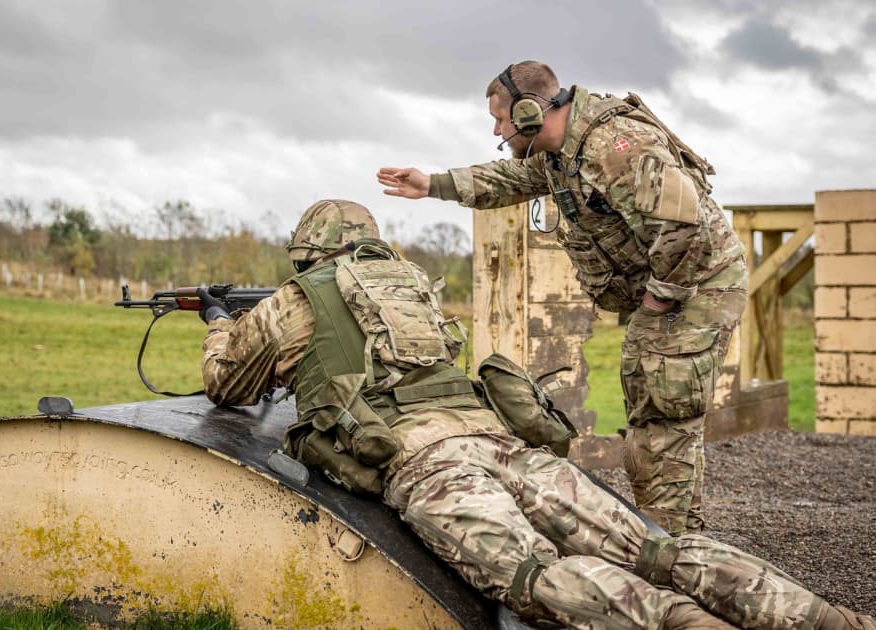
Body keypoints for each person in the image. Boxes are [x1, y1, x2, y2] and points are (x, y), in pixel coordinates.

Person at [197, 198, 872, 629]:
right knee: (655, 550)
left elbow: (226, 386)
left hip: (427, 464)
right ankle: (829, 620)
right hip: (503, 444)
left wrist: (221, 323)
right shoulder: (417, 289)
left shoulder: (295, 300)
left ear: (309, 253)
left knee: (534, 577)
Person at [376, 60, 746, 537]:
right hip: (673, 287)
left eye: (500, 119)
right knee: (658, 411)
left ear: (529, 113)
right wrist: (432, 185)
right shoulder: (558, 152)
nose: (496, 129)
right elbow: (509, 180)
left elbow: (683, 227)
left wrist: (659, 300)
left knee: (663, 410)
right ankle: (676, 537)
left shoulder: (617, 147)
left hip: (696, 285)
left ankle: (672, 547)